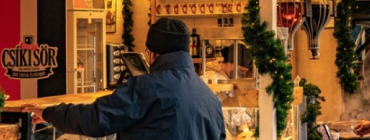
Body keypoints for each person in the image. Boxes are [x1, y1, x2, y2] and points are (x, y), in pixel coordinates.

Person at [26, 17, 225, 140]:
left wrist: (49, 113)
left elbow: (96, 119)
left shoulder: (147, 88)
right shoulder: (209, 97)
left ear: (152, 54)